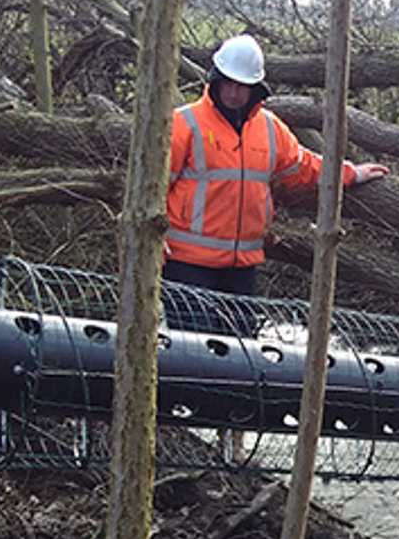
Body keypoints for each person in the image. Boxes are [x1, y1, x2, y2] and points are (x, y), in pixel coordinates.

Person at [164, 33, 387, 461]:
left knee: (243, 355)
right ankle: (187, 441)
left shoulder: (269, 129)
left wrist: (351, 174)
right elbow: (154, 185)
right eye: (227, 82)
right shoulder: (184, 124)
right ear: (214, 79)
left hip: (241, 264)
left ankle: (233, 443)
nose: (234, 91)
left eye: (242, 85)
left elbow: (304, 168)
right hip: (186, 263)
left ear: (255, 88)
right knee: (192, 354)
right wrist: (153, 247)